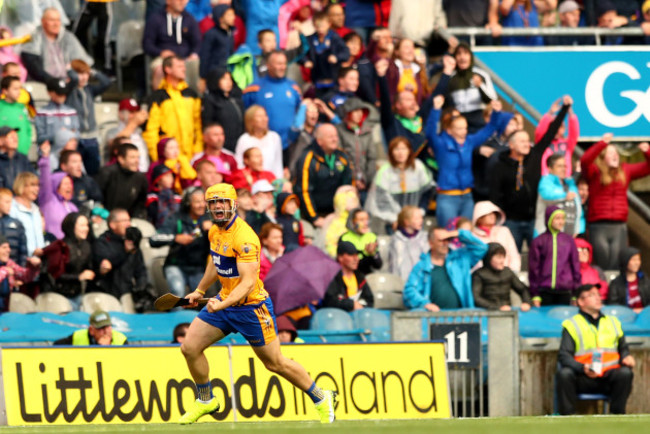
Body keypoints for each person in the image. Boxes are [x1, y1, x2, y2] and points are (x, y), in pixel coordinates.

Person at [178, 183, 337, 424]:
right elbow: (216, 261)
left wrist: (221, 305)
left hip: (252, 308)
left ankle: (320, 397)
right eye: (213, 203)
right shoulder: (214, 231)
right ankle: (206, 399)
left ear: (233, 205)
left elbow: (248, 283)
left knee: (275, 363)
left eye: (223, 202)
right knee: (189, 347)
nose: (218, 207)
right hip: (225, 301)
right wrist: (200, 290)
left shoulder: (245, 238)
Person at [489, 97, 571, 251]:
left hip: (534, 219)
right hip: (511, 221)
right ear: (511, 145)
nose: (527, 144)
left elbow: (550, 132)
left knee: (539, 257)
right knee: (511, 256)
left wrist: (563, 110)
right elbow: (495, 194)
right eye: (522, 141)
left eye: (528, 141)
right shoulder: (500, 165)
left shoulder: (535, 155)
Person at [556, 284, 635, 415]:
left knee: (625, 373)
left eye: (598, 294)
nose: (598, 298)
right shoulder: (572, 324)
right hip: (583, 377)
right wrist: (583, 368)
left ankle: (617, 416)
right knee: (564, 374)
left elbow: (623, 348)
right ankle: (568, 419)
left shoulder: (613, 322)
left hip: (608, 376)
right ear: (580, 302)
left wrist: (627, 356)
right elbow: (564, 355)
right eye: (592, 295)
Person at [427, 96, 504, 226]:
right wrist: (435, 110)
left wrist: (496, 113)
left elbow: (488, 130)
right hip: (447, 196)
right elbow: (430, 133)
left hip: (467, 196)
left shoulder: (469, 142)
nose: (464, 131)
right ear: (449, 130)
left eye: (465, 128)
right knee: (449, 233)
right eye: (459, 128)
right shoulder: (441, 145)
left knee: (466, 233)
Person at [580, 135, 650, 270]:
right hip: (598, 225)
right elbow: (585, 161)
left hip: (619, 225)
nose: (615, 155)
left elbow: (647, 168)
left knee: (617, 263)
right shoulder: (595, 172)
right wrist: (602, 144)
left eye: (616, 153)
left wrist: (647, 152)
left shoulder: (625, 170)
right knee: (602, 262)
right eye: (610, 153)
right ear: (603, 157)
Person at [404, 227, 487, 311]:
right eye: (441, 240)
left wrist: (456, 233)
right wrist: (425, 303)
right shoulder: (422, 266)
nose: (445, 243)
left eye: (447, 239)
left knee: (480, 312)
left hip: (462, 316)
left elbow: (481, 248)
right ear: (431, 243)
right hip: (433, 317)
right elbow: (409, 291)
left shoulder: (460, 259)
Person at [150, 187, 211, 298]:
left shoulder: (210, 219)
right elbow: (154, 239)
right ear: (188, 203)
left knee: (202, 298)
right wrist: (176, 238)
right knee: (178, 292)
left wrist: (214, 230)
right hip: (176, 265)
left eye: (204, 201)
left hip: (199, 268)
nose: (201, 205)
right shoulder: (176, 218)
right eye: (197, 202)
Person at [142, 56, 203, 162]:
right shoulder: (157, 97)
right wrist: (158, 157)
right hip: (168, 158)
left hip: (192, 156)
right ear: (168, 69)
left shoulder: (191, 94)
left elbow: (198, 124)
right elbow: (151, 131)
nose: (184, 69)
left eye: (183, 66)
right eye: (179, 66)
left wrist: (198, 150)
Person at [365, 137, 434, 229]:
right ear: (391, 152)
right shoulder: (385, 171)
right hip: (393, 221)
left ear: (409, 151)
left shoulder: (418, 166)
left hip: (416, 219)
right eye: (397, 149)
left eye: (404, 149)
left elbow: (427, 190)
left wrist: (420, 212)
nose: (400, 153)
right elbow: (380, 199)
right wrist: (394, 219)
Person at [294, 124, 353, 227]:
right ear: (319, 141)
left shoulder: (342, 156)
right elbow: (304, 191)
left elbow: (348, 186)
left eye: (336, 136)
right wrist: (314, 218)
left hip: (336, 213)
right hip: (314, 215)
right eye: (330, 137)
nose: (335, 140)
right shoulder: (308, 158)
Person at [243, 51, 302, 151]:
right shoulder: (254, 89)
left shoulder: (294, 87)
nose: (282, 67)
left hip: (290, 145)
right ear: (268, 65)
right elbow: (245, 115)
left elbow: (300, 112)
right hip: (262, 145)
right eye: (279, 64)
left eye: (284, 63)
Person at [435, 43, 497, 133]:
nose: (462, 57)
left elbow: (492, 99)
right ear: (455, 57)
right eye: (459, 54)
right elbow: (441, 98)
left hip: (478, 118)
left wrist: (480, 86)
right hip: (457, 119)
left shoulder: (481, 74)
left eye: (465, 53)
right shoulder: (451, 77)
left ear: (470, 56)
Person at [20, 8, 93, 83]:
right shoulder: (34, 37)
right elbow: (33, 66)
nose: (56, 24)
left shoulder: (68, 37)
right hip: (45, 83)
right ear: (43, 21)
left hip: (70, 80)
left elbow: (81, 60)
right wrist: (51, 81)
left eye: (58, 20)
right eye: (52, 20)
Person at [528, 206, 581, 306]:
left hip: (565, 290)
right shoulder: (538, 241)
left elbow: (575, 266)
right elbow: (534, 270)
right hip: (544, 291)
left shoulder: (569, 240)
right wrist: (535, 294)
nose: (560, 221)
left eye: (562, 218)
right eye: (557, 218)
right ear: (549, 219)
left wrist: (575, 294)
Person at [143, 0, 201, 90]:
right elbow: (147, 44)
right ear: (168, 1)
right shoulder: (155, 18)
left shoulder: (190, 19)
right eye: (179, 0)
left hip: (185, 57)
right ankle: (160, 99)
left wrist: (194, 53)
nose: (182, 2)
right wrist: (161, 52)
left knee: (197, 65)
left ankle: (194, 99)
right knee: (160, 69)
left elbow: (197, 42)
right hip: (162, 58)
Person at [40, 212, 96, 305]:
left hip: (79, 295)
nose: (86, 228)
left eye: (87, 225)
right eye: (82, 225)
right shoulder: (60, 246)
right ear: (71, 227)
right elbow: (54, 275)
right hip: (59, 295)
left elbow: (89, 269)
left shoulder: (86, 246)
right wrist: (78, 277)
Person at [93, 210, 147, 300]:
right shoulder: (101, 242)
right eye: (124, 221)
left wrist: (140, 289)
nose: (128, 224)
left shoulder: (131, 241)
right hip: (107, 295)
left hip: (128, 295)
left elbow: (141, 271)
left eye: (129, 220)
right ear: (112, 224)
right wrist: (125, 251)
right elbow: (107, 263)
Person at [335, 97, 379, 197]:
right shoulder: (339, 131)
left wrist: (366, 180)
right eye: (355, 110)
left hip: (366, 183)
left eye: (361, 110)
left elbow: (372, 158)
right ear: (347, 113)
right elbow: (340, 157)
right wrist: (353, 179)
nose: (359, 113)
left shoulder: (367, 131)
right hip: (345, 182)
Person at [303, 11, 350, 98]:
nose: (320, 29)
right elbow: (302, 53)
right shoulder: (310, 39)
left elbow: (346, 52)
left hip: (333, 79)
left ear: (329, 24)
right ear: (314, 25)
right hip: (317, 80)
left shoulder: (335, 38)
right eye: (318, 26)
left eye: (323, 26)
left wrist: (336, 57)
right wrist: (306, 61)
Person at [472, 242, 531, 311]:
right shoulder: (479, 274)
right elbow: (476, 297)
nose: (502, 261)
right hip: (487, 313)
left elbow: (523, 289)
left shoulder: (507, 272)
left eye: (503, 257)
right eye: (499, 257)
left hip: (507, 312)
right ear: (488, 258)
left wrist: (526, 302)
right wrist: (497, 307)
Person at [95, 143, 148, 220]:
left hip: (127, 220)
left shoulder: (140, 178)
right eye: (132, 157)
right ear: (121, 159)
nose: (137, 161)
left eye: (138, 157)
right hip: (104, 218)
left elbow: (140, 204)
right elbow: (97, 198)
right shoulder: (107, 173)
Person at [37, 142, 78, 240]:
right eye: (65, 184)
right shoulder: (48, 200)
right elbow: (45, 181)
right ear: (56, 185)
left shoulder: (72, 207)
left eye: (70, 184)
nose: (69, 187)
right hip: (53, 246)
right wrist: (45, 158)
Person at [535, 153, 581, 237]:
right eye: (559, 166)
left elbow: (577, 208)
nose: (563, 169)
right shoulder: (546, 182)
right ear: (550, 169)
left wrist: (577, 229)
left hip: (569, 235)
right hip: (547, 236)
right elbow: (546, 195)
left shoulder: (570, 184)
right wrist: (564, 196)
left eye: (565, 166)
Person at [322, 240, 374, 311]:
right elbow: (330, 301)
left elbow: (370, 300)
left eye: (357, 255)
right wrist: (351, 304)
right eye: (351, 255)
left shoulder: (360, 276)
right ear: (340, 257)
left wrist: (361, 306)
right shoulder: (332, 277)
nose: (356, 259)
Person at [201, 70, 244, 153]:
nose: (228, 82)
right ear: (216, 80)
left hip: (238, 143)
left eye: (230, 79)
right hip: (220, 145)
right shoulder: (210, 100)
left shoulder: (236, 99)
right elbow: (207, 123)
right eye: (224, 79)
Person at [234, 106, 284, 179]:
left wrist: (279, 182)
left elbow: (278, 164)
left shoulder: (274, 137)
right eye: (259, 116)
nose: (264, 119)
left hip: (271, 181)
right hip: (250, 181)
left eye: (265, 115)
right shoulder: (244, 139)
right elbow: (239, 164)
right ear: (251, 120)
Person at [471, 200, 521, 273]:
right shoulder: (472, 235)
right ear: (479, 218)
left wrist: (514, 271)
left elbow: (513, 253)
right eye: (488, 214)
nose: (492, 216)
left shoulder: (504, 231)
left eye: (494, 213)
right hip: (484, 276)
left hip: (506, 273)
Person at [536, 97, 580, 177]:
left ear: (564, 129)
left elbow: (574, 133)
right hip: (546, 178)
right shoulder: (542, 143)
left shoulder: (567, 144)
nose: (557, 129)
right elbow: (539, 132)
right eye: (553, 126)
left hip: (564, 179)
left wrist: (570, 111)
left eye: (560, 127)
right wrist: (550, 113)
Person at [388, 205, 429, 282]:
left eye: (421, 217)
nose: (421, 220)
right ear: (406, 222)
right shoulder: (396, 239)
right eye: (417, 218)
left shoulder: (425, 237)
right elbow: (394, 265)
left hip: (421, 281)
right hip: (403, 282)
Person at [0, 234, 40, 312]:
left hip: (5, 311)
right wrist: (5, 271)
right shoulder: (6, 268)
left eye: (9, 247)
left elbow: (25, 276)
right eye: (4, 247)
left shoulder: (9, 264)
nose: (8, 250)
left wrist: (33, 267)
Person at [10, 172, 44, 257]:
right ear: (22, 186)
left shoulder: (36, 209)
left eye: (37, 185)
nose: (37, 189)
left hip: (39, 260)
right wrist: (30, 253)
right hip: (20, 260)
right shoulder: (12, 208)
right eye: (32, 185)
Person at [386, 38, 429, 106]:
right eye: (406, 47)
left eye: (412, 47)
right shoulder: (390, 69)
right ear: (397, 52)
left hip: (415, 112)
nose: (411, 50)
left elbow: (425, 95)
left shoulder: (419, 70)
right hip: (394, 111)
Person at [109, 99, 150, 172]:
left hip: (143, 174)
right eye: (131, 112)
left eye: (136, 112)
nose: (135, 115)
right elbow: (113, 145)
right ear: (120, 114)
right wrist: (134, 123)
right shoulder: (112, 131)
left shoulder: (139, 131)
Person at [339, 209, 382, 275]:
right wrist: (366, 254)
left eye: (367, 219)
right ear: (352, 222)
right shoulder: (345, 238)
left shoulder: (372, 237)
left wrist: (373, 254)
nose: (366, 223)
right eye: (361, 220)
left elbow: (378, 265)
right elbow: (348, 265)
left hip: (368, 276)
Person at [199, 5, 236, 83]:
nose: (233, 17)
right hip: (214, 74)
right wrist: (202, 77)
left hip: (227, 72)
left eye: (233, 14)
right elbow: (205, 56)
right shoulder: (211, 34)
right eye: (229, 15)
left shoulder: (230, 34)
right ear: (220, 18)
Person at [608, 247, 650, 313]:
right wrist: (632, 311)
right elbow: (613, 306)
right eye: (633, 260)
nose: (637, 263)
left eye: (638, 259)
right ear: (625, 261)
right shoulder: (616, 284)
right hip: (626, 317)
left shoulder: (644, 279)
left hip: (645, 315)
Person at [54, 310, 128, 345]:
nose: (105, 331)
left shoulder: (121, 340)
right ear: (91, 330)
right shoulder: (78, 336)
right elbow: (56, 346)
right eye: (101, 328)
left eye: (107, 327)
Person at [0, 76, 32, 155]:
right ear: (5, 91)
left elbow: (28, 130)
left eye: (20, 88)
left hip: (22, 155)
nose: (19, 92)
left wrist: (26, 146)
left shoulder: (22, 108)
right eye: (15, 89)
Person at [146, 164, 181, 228]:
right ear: (158, 180)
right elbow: (153, 214)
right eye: (167, 176)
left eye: (172, 176)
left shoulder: (176, 195)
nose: (171, 179)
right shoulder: (152, 196)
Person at [0, 188, 29, 266]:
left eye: (11, 202)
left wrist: (21, 268)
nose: (10, 206)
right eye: (7, 202)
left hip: (13, 268)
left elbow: (23, 250)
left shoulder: (17, 224)